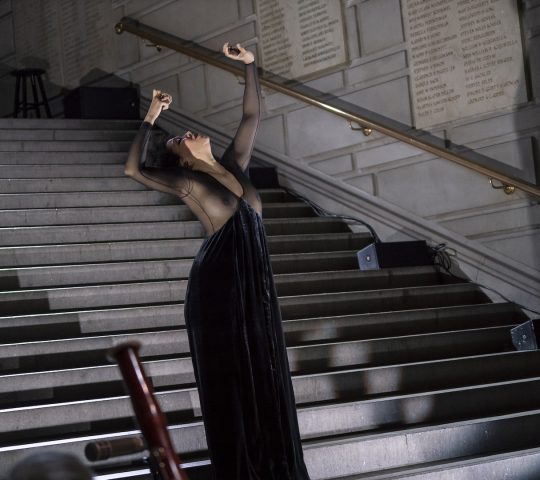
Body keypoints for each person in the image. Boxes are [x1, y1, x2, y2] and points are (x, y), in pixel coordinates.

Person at [124, 43, 311, 480]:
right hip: (220, 290)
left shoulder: (233, 165)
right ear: (182, 158)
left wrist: (249, 65)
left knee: (264, 370)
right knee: (236, 380)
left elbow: (251, 117)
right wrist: (150, 117)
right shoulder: (190, 183)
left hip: (254, 287)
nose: (186, 133)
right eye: (178, 140)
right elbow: (134, 170)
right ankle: (244, 466)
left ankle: (273, 462)